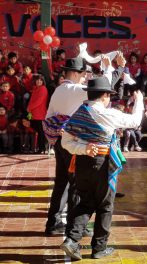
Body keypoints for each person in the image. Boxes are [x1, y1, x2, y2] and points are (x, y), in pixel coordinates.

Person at [60, 76, 144, 260]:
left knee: (86, 202)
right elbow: (135, 121)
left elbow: (65, 142)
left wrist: (83, 148)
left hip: (83, 162)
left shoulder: (79, 113)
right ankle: (99, 247)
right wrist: (139, 101)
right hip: (102, 163)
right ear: (105, 96)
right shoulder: (109, 114)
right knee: (105, 205)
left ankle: (72, 241)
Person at [43, 57, 91, 236]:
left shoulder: (59, 90)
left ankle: (53, 223)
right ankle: (74, 226)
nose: (85, 77)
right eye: (84, 74)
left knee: (62, 182)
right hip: (72, 142)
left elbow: (49, 116)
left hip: (58, 141)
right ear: (77, 73)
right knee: (76, 183)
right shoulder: (76, 89)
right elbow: (100, 92)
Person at [27, 74, 48, 154]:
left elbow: (38, 101)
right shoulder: (36, 89)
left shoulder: (43, 89)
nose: (39, 81)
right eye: (37, 80)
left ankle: (42, 148)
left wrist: (29, 107)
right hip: (34, 113)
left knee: (41, 132)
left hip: (40, 113)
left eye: (40, 80)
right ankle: (41, 148)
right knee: (39, 132)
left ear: (43, 81)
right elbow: (32, 100)